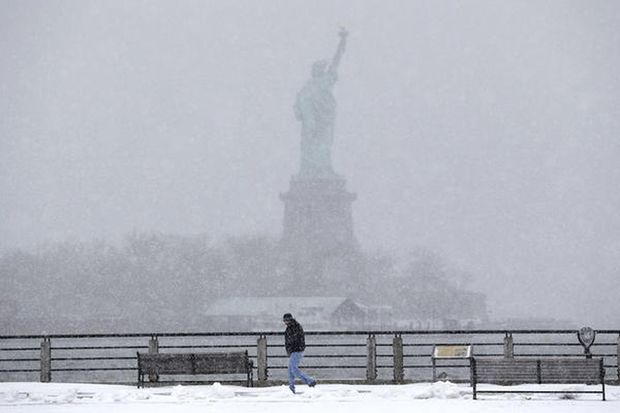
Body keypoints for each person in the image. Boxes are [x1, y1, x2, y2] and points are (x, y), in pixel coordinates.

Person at [283, 313, 316, 393]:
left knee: (293, 369)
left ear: (290, 319)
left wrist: (292, 348)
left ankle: (310, 381)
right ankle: (291, 387)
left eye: (287, 320)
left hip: (297, 350)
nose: (286, 322)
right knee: (290, 370)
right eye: (284, 321)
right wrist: (289, 350)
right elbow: (288, 341)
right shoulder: (290, 328)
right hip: (294, 351)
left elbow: (295, 340)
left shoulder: (295, 327)